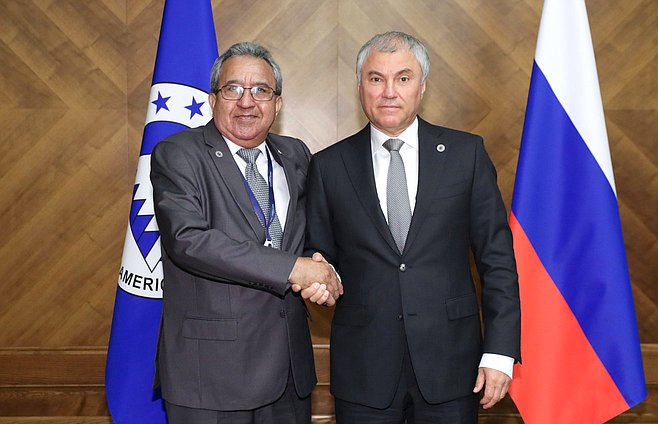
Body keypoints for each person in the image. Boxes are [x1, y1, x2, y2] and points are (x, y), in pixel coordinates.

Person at [305, 31, 521, 423]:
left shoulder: (466, 154)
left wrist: (500, 352)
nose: (389, 91)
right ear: (360, 88)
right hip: (363, 370)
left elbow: (497, 259)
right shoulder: (328, 166)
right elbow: (320, 254)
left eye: (403, 78)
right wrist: (322, 277)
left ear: (422, 87)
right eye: (376, 79)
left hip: (454, 366)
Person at [151, 42, 342, 424]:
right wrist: (293, 269)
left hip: (289, 373)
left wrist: (326, 270)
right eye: (233, 89)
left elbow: (308, 237)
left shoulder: (296, 156)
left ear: (278, 104)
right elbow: (189, 240)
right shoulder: (179, 154)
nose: (246, 102)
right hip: (212, 377)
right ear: (212, 98)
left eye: (261, 90)